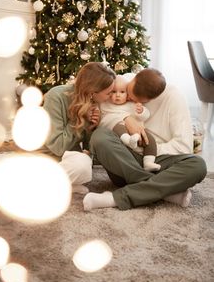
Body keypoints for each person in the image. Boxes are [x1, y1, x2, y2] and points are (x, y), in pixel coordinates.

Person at [83, 68, 207, 210]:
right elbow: (102, 115)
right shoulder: (123, 82)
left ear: (150, 100)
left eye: (135, 99)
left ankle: (115, 198)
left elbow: (183, 147)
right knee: (99, 137)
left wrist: (146, 151)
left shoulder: (174, 97)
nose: (127, 98)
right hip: (124, 159)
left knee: (198, 165)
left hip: (156, 160)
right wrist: (125, 118)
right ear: (135, 78)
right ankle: (163, 192)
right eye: (128, 92)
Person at [43, 62, 116, 194]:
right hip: (44, 157)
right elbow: (58, 147)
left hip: (68, 161)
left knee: (83, 166)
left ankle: (57, 184)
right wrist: (80, 118)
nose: (112, 96)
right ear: (92, 92)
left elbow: (88, 152)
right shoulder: (56, 96)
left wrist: (93, 127)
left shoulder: (94, 103)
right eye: (109, 93)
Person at [99, 75, 161, 171]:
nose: (118, 95)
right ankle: (128, 140)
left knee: (150, 140)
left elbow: (145, 116)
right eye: (114, 92)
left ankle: (149, 162)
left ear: (128, 94)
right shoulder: (106, 105)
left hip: (137, 132)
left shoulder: (132, 105)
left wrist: (141, 111)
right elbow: (104, 120)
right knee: (118, 126)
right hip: (120, 132)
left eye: (122, 92)